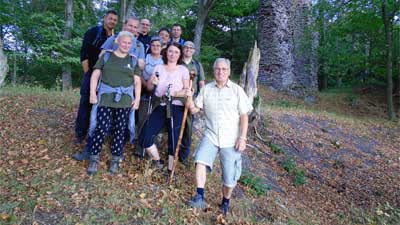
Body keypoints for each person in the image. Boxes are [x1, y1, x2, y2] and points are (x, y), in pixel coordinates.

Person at [73, 16, 145, 161]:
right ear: (125, 25)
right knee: (97, 119)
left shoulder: (139, 46)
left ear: (138, 29)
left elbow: (141, 66)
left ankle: (117, 152)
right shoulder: (113, 39)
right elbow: (102, 56)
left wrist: (130, 59)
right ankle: (89, 149)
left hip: (125, 89)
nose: (132, 28)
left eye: (135, 27)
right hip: (106, 86)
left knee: (121, 124)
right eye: (130, 25)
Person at [187, 58, 253, 216]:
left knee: (229, 178)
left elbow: (244, 116)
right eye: (217, 69)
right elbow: (195, 109)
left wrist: (242, 138)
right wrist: (189, 98)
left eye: (224, 69)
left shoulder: (237, 90)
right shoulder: (207, 89)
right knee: (200, 160)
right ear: (213, 70)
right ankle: (199, 196)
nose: (220, 72)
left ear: (229, 71)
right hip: (211, 135)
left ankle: (225, 202)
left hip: (231, 139)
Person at [86, 31, 141, 175]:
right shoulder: (107, 56)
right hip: (105, 98)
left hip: (124, 101)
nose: (126, 45)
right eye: (124, 42)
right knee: (101, 128)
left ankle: (115, 159)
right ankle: (94, 158)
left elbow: (137, 82)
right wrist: (92, 93)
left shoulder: (133, 60)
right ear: (118, 42)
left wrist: (137, 99)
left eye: (129, 43)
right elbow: (95, 74)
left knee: (120, 130)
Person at [140, 42, 190, 177]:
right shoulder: (158, 67)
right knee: (145, 136)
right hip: (160, 106)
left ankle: (170, 169)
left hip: (176, 106)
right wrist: (152, 82)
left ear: (179, 55)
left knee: (174, 141)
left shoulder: (183, 70)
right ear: (166, 52)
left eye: (176, 52)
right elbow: (150, 88)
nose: (172, 54)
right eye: (170, 51)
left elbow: (187, 91)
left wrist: (175, 93)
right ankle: (158, 161)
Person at [73, 10, 118, 157]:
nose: (112, 21)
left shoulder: (115, 37)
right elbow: (84, 53)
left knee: (99, 105)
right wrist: (88, 73)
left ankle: (97, 133)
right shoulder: (93, 32)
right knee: (86, 102)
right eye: (110, 18)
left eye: (115, 20)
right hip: (92, 72)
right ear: (105, 18)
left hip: (106, 77)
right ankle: (80, 133)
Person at [134, 36, 164, 157]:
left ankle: (152, 143)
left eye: (158, 45)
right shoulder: (145, 58)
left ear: (162, 47)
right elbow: (139, 72)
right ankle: (140, 145)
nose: (155, 47)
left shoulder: (164, 60)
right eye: (153, 45)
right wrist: (146, 85)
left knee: (154, 120)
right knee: (142, 118)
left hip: (158, 93)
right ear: (150, 46)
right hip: (144, 90)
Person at [179, 41, 205, 165]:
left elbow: (201, 84)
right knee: (175, 126)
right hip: (177, 99)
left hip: (191, 101)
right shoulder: (178, 63)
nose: (188, 49)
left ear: (194, 50)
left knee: (188, 129)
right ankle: (172, 153)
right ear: (183, 49)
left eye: (191, 47)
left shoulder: (197, 65)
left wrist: (200, 101)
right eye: (186, 47)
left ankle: (183, 157)